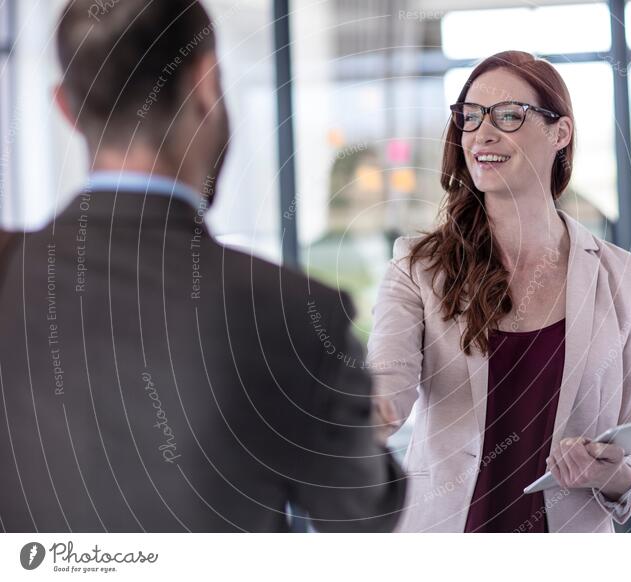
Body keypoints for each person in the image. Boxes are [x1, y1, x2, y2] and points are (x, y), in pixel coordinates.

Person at [0, 0, 404, 532]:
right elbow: (359, 519)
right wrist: (356, 427)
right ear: (207, 83)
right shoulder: (294, 313)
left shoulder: (10, 271)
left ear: (64, 107)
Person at [368, 51, 631, 533]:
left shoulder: (627, 280)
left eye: (508, 115)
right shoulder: (418, 267)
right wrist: (353, 416)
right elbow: (388, 383)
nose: (483, 133)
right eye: (470, 117)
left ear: (559, 132)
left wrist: (615, 474)